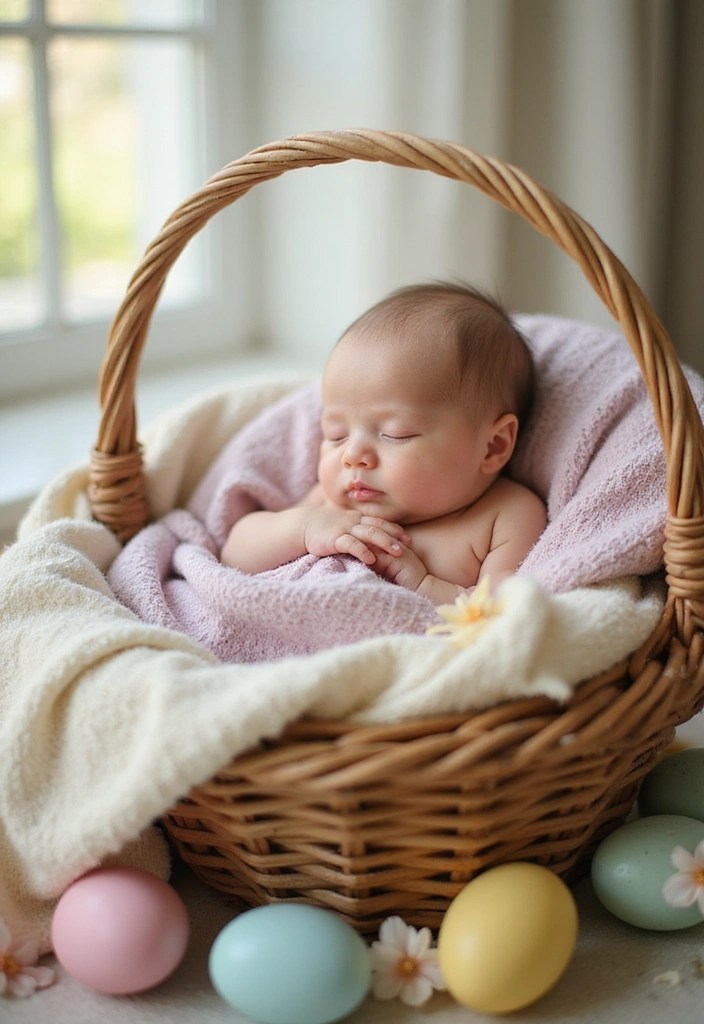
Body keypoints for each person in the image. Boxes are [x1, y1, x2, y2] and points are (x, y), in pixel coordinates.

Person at [221, 282, 547, 604]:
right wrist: (303, 529)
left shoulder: (506, 517)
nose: (351, 456)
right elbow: (234, 555)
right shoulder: (332, 507)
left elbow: (503, 617)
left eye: (396, 434)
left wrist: (424, 586)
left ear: (493, 446)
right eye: (336, 435)